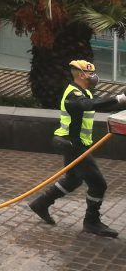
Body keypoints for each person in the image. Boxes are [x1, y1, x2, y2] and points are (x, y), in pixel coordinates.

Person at [28, 59, 126, 237]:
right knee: (98, 184)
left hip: (74, 144)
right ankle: (91, 222)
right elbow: (88, 105)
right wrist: (118, 97)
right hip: (73, 145)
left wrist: (122, 100)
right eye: (91, 73)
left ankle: (40, 204)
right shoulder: (73, 94)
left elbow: (99, 104)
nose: (94, 76)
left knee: (73, 180)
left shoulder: (83, 92)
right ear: (81, 74)